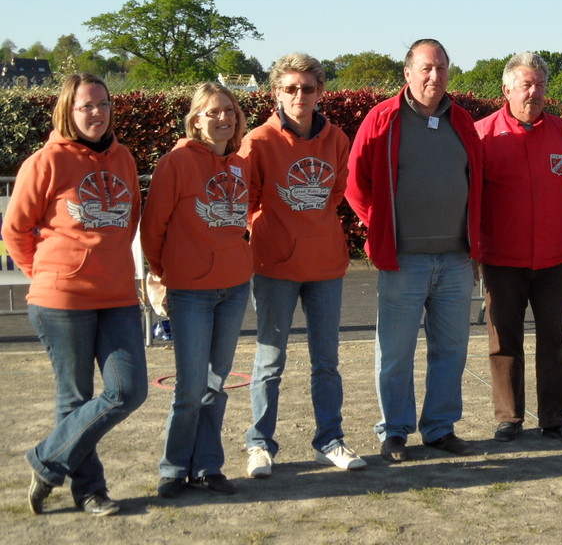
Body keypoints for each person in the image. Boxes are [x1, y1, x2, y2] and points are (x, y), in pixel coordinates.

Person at [2, 73, 147, 517]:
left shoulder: (123, 157)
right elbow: (14, 230)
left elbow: (129, 221)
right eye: (87, 105)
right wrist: (48, 272)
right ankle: (90, 492)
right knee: (75, 397)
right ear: (68, 109)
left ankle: (46, 459)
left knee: (129, 390)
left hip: (118, 296)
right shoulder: (45, 161)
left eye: (103, 104)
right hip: (62, 299)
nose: (97, 113)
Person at [345, 38, 483, 463]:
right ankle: (395, 431)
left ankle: (440, 428)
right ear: (407, 73)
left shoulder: (462, 121)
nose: (434, 76)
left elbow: (476, 182)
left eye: (441, 68)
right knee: (396, 352)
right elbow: (355, 185)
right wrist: (382, 227)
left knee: (452, 350)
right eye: (425, 68)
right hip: (403, 259)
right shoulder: (382, 119)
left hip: (456, 260)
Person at [241, 53, 365, 477]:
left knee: (326, 361)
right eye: (290, 88)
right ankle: (259, 444)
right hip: (273, 266)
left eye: (307, 88)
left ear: (320, 92)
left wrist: (306, 222)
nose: (299, 96)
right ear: (276, 92)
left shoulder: (336, 139)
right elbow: (247, 202)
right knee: (270, 361)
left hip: (325, 266)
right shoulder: (257, 141)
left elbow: (334, 193)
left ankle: (329, 440)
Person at [141, 83, 252, 498]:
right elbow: (153, 228)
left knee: (216, 383)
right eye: (212, 112)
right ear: (195, 120)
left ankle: (208, 466)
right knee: (190, 387)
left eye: (229, 110)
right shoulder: (177, 162)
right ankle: (173, 469)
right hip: (190, 290)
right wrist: (165, 273)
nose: (223, 118)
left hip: (234, 288)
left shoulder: (241, 164)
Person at [475, 52, 562, 445]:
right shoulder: (482, 133)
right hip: (501, 259)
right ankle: (509, 418)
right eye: (526, 84)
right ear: (506, 89)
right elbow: (471, 199)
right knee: (504, 343)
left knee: (555, 342)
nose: (534, 92)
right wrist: (474, 251)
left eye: (540, 85)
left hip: (555, 260)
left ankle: (556, 418)